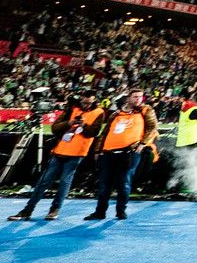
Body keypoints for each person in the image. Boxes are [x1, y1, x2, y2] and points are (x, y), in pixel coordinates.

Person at [10, 93, 100, 222]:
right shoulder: (72, 109)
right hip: (59, 150)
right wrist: (69, 123)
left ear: (94, 102)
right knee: (44, 182)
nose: (86, 105)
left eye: (89, 103)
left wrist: (83, 125)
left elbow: (94, 132)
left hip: (76, 153)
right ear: (81, 101)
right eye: (84, 102)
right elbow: (55, 128)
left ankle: (54, 209)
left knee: (64, 182)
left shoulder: (98, 112)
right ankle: (28, 210)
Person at [85, 89, 158, 221]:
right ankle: (100, 212)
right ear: (128, 98)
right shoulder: (116, 114)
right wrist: (97, 150)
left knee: (124, 183)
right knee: (104, 184)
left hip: (129, 153)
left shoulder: (145, 111)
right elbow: (105, 132)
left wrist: (142, 144)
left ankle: (121, 211)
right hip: (108, 153)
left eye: (140, 97)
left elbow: (152, 127)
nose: (138, 99)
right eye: (135, 96)